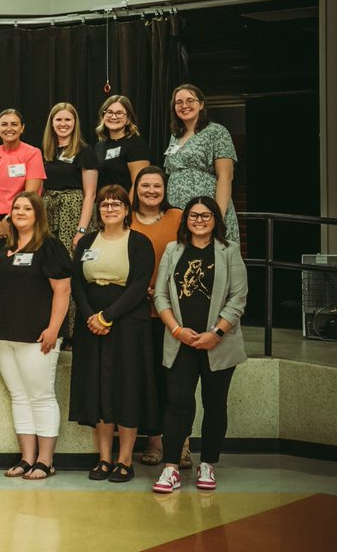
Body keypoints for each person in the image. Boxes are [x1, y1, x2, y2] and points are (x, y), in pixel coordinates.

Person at [152, 196, 248, 494]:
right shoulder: (173, 249)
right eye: (193, 216)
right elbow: (159, 294)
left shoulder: (229, 251)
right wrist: (177, 330)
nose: (199, 221)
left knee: (215, 404)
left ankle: (208, 463)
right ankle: (170, 468)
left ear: (215, 220)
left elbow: (238, 298)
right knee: (177, 403)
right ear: (186, 220)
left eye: (206, 216)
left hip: (217, 344)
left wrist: (215, 334)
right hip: (180, 342)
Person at [67, 186, 158, 484]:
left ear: (126, 209)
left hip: (127, 322)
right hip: (90, 322)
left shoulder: (140, 242)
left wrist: (107, 316)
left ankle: (125, 460)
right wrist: (90, 314)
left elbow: (138, 286)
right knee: (99, 389)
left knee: (126, 388)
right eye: (104, 204)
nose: (109, 208)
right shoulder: (86, 242)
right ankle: (104, 458)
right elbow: (77, 282)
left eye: (116, 204)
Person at [0, 191, 71, 481]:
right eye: (16, 207)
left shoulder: (49, 246)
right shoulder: (3, 247)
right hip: (5, 337)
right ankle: (27, 458)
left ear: (38, 215)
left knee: (41, 396)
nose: (20, 212)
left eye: (27, 208)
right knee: (19, 397)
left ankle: (45, 461)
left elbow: (63, 290)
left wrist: (54, 328)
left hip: (38, 336)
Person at [130, 166, 186, 469]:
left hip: (174, 313)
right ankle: (154, 440)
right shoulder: (127, 220)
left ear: (165, 190)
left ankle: (181, 445)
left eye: (157, 186)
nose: (151, 191)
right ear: (136, 189)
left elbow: (192, 257)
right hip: (139, 313)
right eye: (145, 186)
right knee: (149, 379)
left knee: (176, 381)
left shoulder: (178, 218)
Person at [164, 84, 240, 242]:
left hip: (206, 212)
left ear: (201, 104)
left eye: (190, 100)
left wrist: (217, 216)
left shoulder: (217, 132)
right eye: (179, 102)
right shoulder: (175, 136)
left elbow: (225, 176)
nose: (184, 105)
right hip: (178, 211)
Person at [0, 108, 46, 251]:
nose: (9, 128)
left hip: (24, 219)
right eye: (4, 124)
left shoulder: (33, 153)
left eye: (14, 124)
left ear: (22, 128)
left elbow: (31, 193)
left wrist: (8, 220)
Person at [41, 102, 98, 256]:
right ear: (52, 123)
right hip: (49, 212)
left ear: (75, 123)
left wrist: (81, 230)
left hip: (74, 213)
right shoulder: (46, 152)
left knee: (70, 258)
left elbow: (90, 194)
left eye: (68, 120)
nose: (63, 124)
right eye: (59, 120)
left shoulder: (85, 151)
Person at [94, 95, 151, 196]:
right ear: (103, 116)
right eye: (109, 112)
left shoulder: (136, 144)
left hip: (124, 207)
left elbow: (139, 184)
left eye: (119, 113)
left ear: (128, 117)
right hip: (103, 206)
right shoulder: (99, 146)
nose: (113, 117)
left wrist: (128, 209)